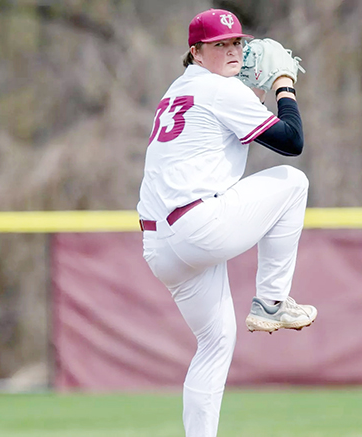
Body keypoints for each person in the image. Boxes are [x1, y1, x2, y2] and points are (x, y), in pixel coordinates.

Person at [136, 8, 317, 437]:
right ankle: (272, 300)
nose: (233, 50)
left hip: (161, 245)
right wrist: (282, 84)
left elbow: (219, 131)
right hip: (198, 226)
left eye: (236, 42)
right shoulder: (218, 91)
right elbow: (292, 141)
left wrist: (248, 93)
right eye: (220, 45)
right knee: (293, 182)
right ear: (196, 52)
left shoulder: (181, 90)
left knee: (216, 343)